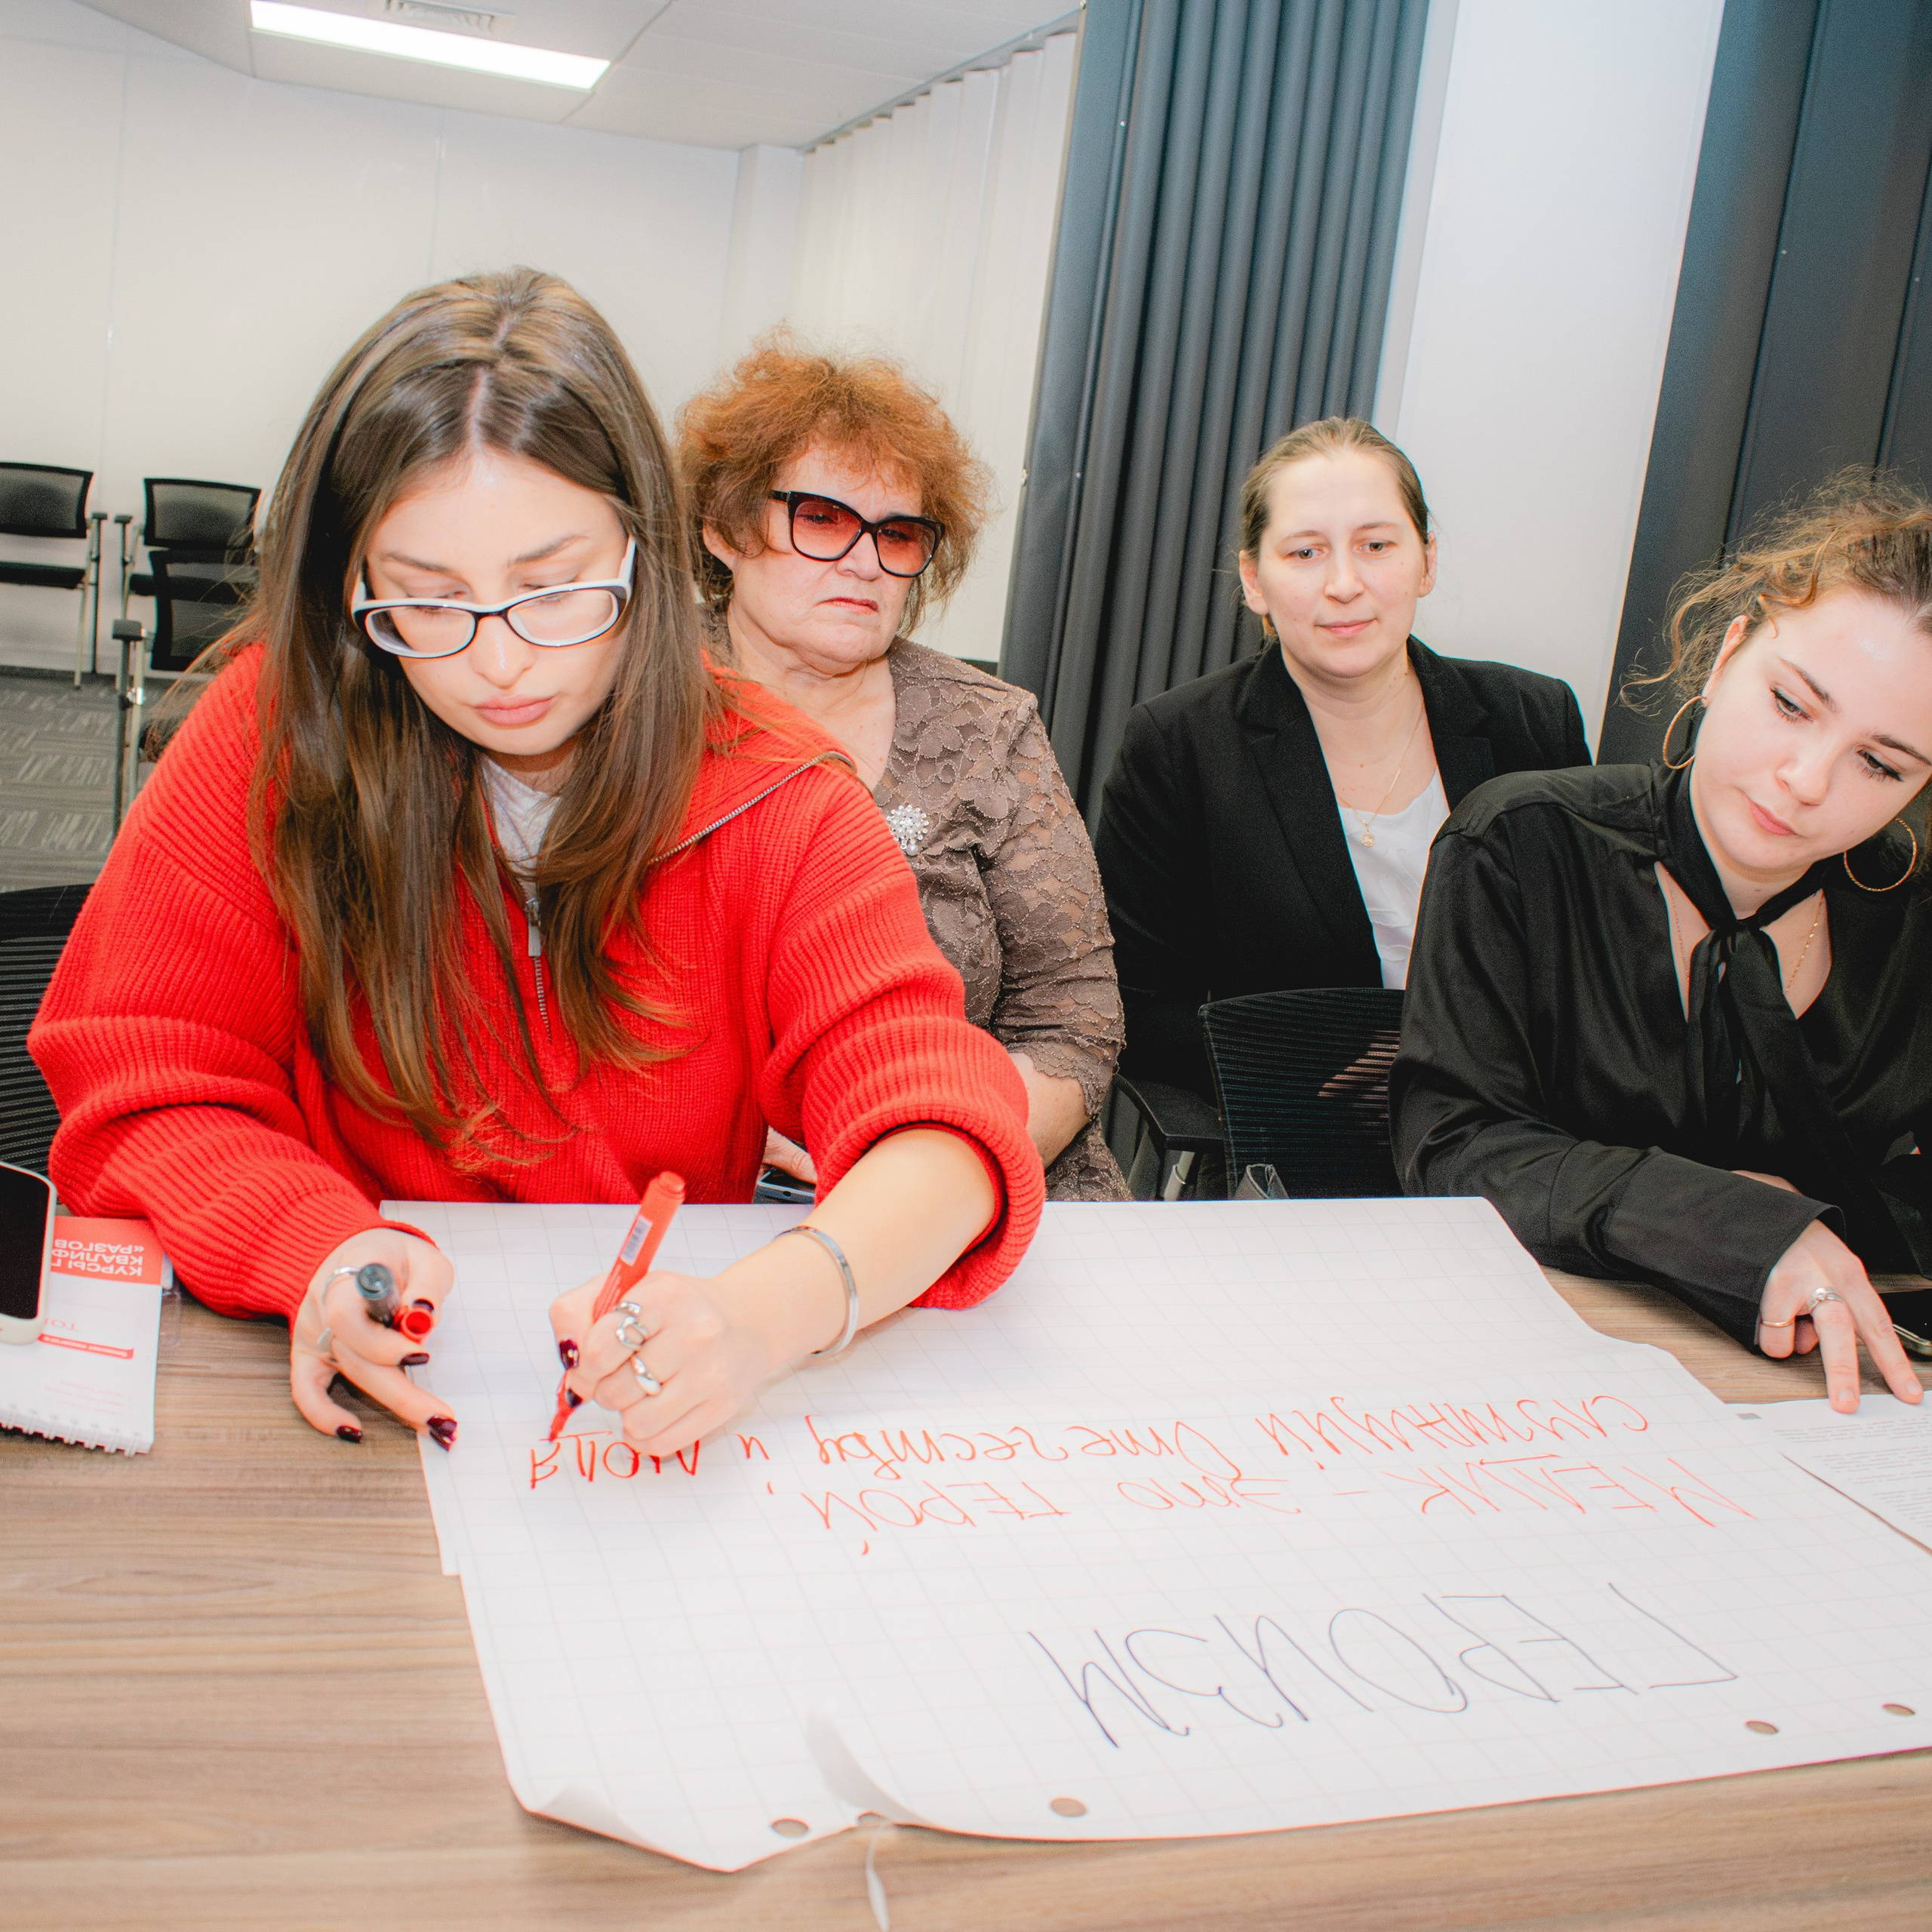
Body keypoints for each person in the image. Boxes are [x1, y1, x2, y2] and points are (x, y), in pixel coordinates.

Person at [30, 269, 1044, 1455]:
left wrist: (773, 1311)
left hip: (651, 1362)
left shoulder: (773, 786)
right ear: (348, 588)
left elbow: (944, 1128)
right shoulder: (274, 733)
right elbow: (146, 1081)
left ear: (647, 549)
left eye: (557, 589)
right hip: (343, 1371)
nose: (501, 663)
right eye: (426, 601)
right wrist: (318, 1243)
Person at [1392, 473, 1932, 1414]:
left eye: (1879, 763)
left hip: (1819, 1394)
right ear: (1727, 655)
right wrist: (1727, 1220)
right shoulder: (1520, 843)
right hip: (1523, 1377)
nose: (1805, 780)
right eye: (1793, 705)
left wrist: (1817, 1230)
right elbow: (1454, 1148)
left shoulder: (1911, 915)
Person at [678, 338, 1129, 1200]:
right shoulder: (627, 706)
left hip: (968, 1169)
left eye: (897, 532)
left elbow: (1074, 1017)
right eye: (819, 517)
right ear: (724, 527)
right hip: (692, 1189)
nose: (862, 561)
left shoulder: (988, 727)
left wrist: (929, 1173)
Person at [1094, 417, 1589, 1099]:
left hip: (1513, 1134)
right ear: (1254, 579)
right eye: (1305, 554)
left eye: (1377, 544)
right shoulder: (1179, 745)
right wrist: (1313, 1070)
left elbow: (1590, 976)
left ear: (1428, 560)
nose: (1345, 583)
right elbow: (1136, 1011)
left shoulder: (1534, 722)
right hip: (1300, 1140)